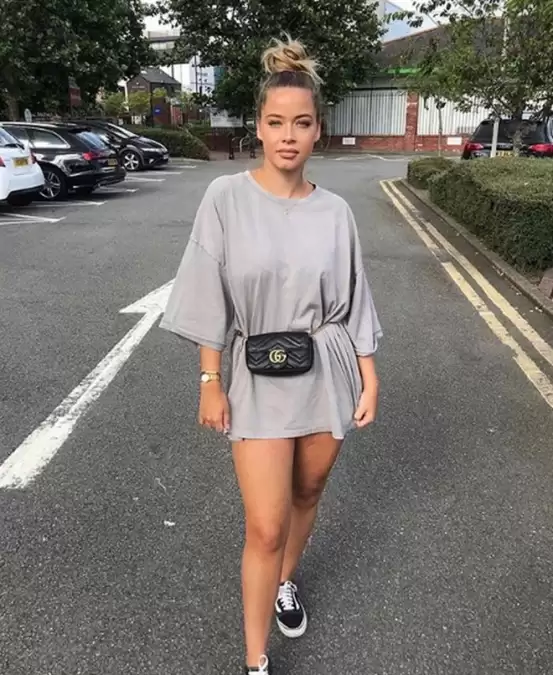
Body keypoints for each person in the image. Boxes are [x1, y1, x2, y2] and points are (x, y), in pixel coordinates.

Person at [160, 35, 382, 675]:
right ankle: (255, 660)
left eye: (302, 123)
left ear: (318, 130)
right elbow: (207, 290)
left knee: (308, 490)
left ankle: (287, 579)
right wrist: (210, 378)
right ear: (257, 126)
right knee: (264, 523)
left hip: (328, 368)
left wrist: (368, 377)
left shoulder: (336, 212)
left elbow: (355, 298)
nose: (289, 136)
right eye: (276, 122)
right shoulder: (225, 199)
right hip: (257, 375)